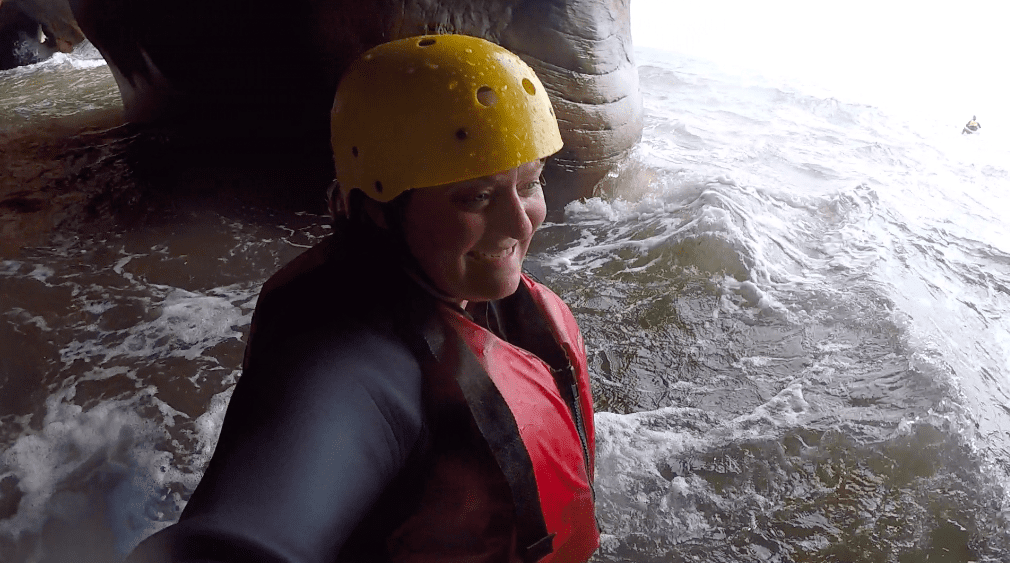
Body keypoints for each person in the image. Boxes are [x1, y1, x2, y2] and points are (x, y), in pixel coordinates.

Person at [127, 34, 600, 563]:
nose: (521, 222)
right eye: (476, 197)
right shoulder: (352, 361)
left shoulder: (471, 289)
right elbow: (232, 544)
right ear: (378, 209)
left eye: (530, 184)